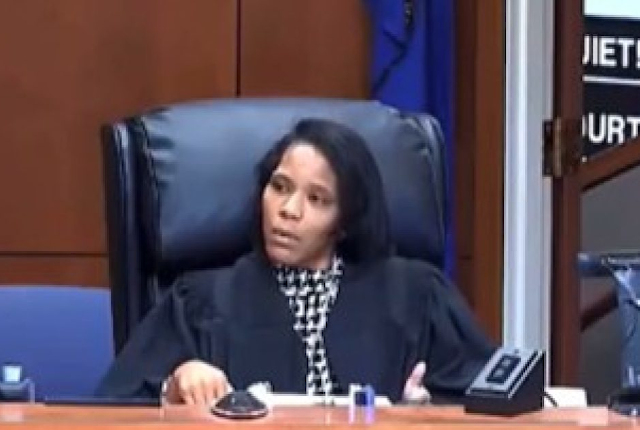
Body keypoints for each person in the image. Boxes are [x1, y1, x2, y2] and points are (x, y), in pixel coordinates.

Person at [96, 118, 494, 405]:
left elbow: (491, 401)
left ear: (344, 222)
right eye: (280, 187)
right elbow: (113, 407)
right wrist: (176, 384)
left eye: (316, 199)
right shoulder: (201, 300)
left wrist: (425, 415)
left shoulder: (416, 296)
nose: (288, 210)